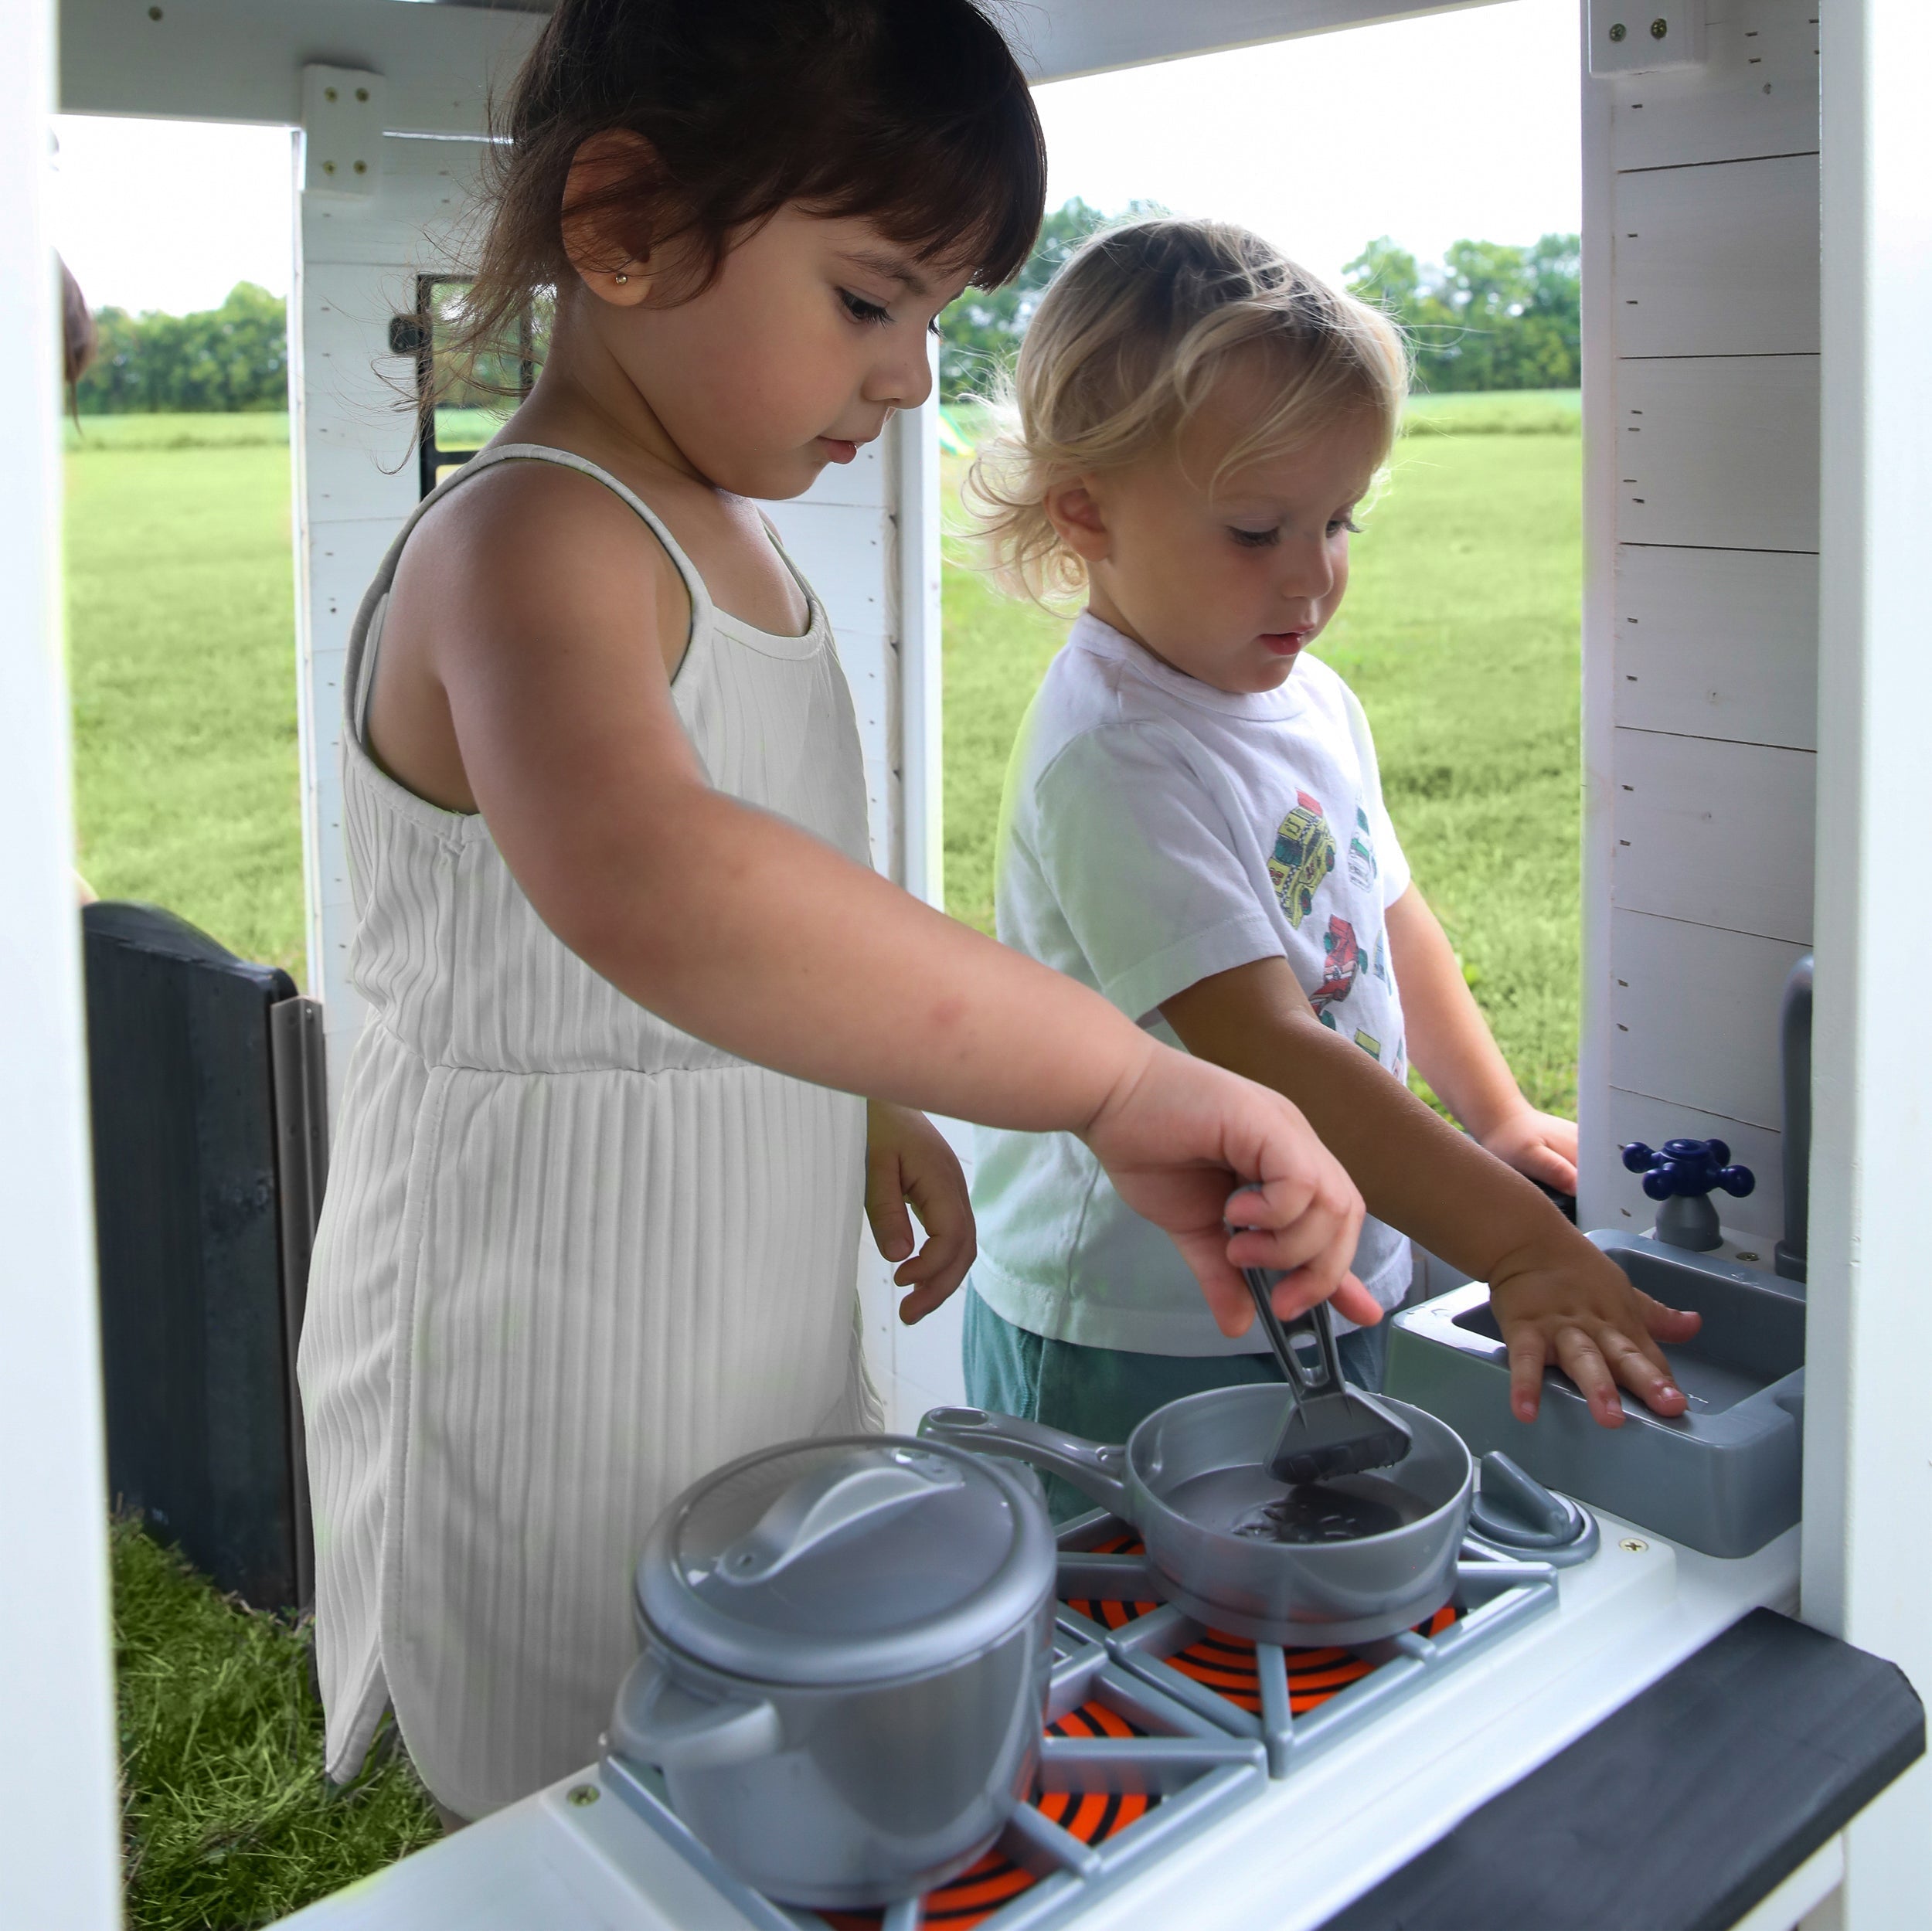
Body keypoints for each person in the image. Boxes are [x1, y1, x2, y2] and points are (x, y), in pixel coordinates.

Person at [299, 2, 1371, 1825]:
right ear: (622, 222)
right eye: (870, 300)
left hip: (738, 1257)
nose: (903, 377)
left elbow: (786, 880)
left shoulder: (737, 538)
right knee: (582, 1737)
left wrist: (866, 1087)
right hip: (538, 1303)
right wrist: (1113, 1081)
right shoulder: (527, 544)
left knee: (753, 1650)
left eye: (934, 320)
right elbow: (662, 879)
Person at [960, 217, 1700, 1497]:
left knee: (1313, 1580)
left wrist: (1499, 1116)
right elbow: (1267, 1042)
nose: (1313, 578)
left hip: (1326, 1255)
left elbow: (1394, 922)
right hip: (1138, 1321)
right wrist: (1520, 1247)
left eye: (1339, 521)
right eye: (1257, 531)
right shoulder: (1117, 753)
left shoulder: (1311, 698)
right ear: (1087, 508)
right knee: (1150, 1609)